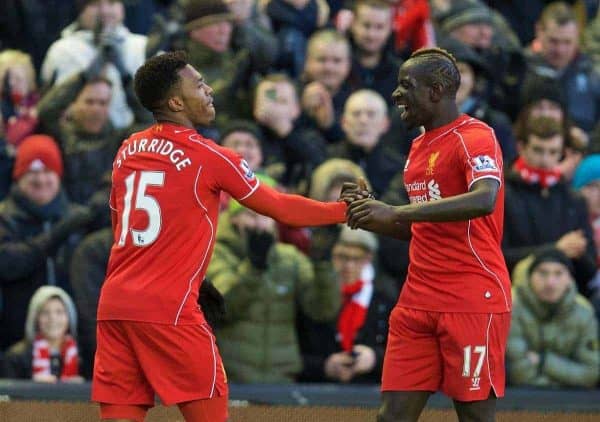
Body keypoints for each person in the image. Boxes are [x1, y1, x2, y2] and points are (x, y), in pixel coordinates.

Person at [91, 50, 347, 422]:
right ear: (176, 101)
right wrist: (342, 211)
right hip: (170, 307)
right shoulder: (210, 156)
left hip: (115, 306)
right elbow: (278, 207)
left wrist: (195, 274)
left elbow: (124, 231)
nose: (209, 89)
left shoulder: (127, 150)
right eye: (199, 84)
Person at [342, 47, 511, 422]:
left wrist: (396, 210)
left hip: (471, 298)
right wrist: (367, 214)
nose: (396, 95)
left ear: (435, 91)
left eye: (406, 86)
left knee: (474, 417)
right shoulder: (418, 146)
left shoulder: (476, 137)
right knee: (391, 417)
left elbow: (485, 199)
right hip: (417, 298)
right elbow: (421, 227)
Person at [506, 248, 599, 388]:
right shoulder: (511, 306)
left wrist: (543, 361)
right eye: (542, 273)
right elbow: (517, 372)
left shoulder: (584, 312)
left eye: (558, 273)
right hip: (518, 400)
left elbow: (592, 373)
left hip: (571, 405)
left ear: (570, 279)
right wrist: (562, 382)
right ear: (529, 276)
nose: (550, 282)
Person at [3, 285, 84, 383]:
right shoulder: (15, 358)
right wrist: (32, 385)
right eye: (45, 312)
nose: (53, 318)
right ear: (35, 318)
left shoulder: (84, 355)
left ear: (70, 317)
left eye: (59, 312)